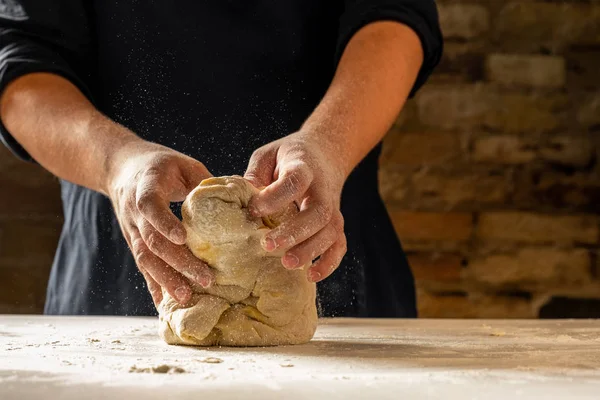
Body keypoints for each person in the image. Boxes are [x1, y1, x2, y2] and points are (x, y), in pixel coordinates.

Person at [0, 1, 442, 317]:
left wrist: (328, 144)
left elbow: (393, 17)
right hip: (126, 263)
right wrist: (116, 164)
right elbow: (20, 63)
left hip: (322, 247)